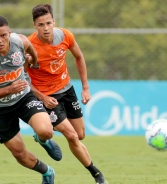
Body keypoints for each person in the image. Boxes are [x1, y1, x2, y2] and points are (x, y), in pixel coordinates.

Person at [0, 15, 62, 184]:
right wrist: (10, 89)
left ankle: (43, 140)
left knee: (46, 130)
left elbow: (31, 52)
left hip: (23, 98)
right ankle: (47, 172)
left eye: (3, 35)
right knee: (19, 155)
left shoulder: (20, 42)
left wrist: (33, 62)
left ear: (9, 33)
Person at [26, 4, 108, 184]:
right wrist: (42, 98)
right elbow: (23, 79)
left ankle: (42, 134)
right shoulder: (29, 46)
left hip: (67, 90)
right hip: (48, 97)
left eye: (48, 23)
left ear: (54, 21)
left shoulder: (65, 36)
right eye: (41, 25)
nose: (46, 28)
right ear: (34, 25)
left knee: (80, 135)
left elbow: (79, 57)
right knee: (71, 135)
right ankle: (97, 175)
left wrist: (85, 87)